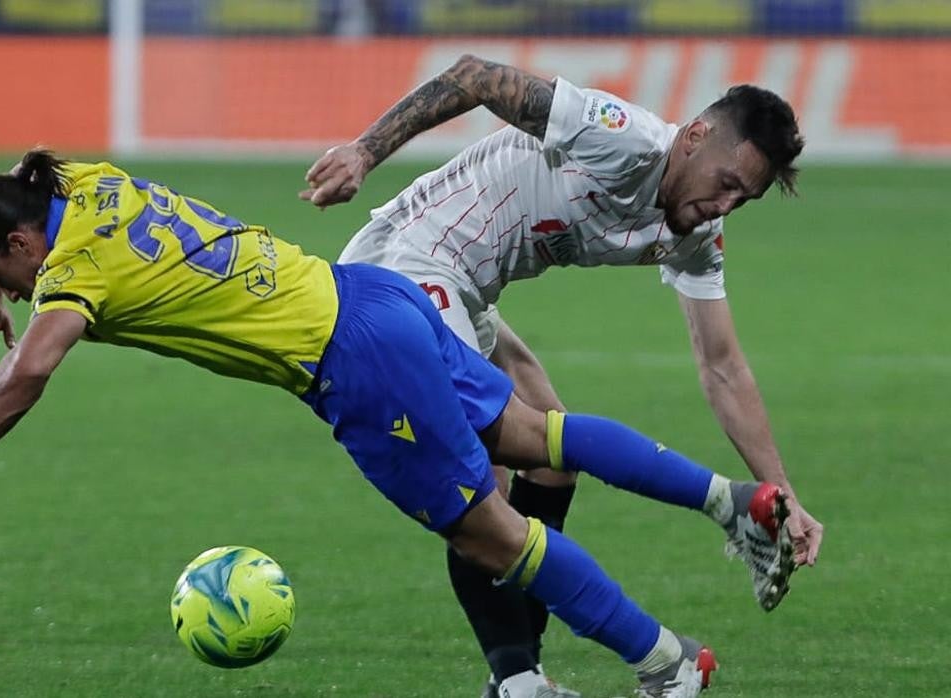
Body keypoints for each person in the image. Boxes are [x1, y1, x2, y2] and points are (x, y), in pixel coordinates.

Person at [0, 151, 795, 697]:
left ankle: (668, 664)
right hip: (372, 294)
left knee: (496, 538)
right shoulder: (76, 183)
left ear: (24, 245)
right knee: (535, 438)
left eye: (7, 276)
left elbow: (32, 367)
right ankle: (734, 500)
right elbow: (23, 174)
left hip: (352, 367)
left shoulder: (73, 267)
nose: (14, 294)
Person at [296, 55, 824, 698]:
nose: (726, 205)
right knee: (483, 474)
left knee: (550, 464)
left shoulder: (697, 230)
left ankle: (520, 676)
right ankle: (549, 675)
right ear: (693, 138)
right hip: (409, 263)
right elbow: (473, 76)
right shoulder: (620, 136)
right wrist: (363, 152)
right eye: (726, 183)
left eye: (745, 198)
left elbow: (722, 365)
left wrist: (784, 491)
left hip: (470, 292)